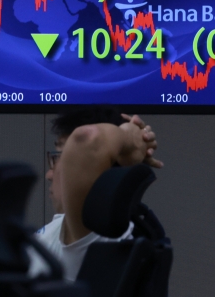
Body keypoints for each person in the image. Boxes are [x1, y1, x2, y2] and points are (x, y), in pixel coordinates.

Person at [28, 106, 162, 281]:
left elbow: (88, 139)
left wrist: (130, 138)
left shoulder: (97, 232)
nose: (49, 175)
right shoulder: (64, 227)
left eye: (60, 156)